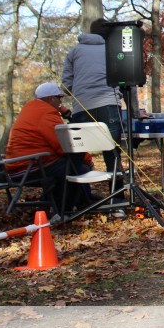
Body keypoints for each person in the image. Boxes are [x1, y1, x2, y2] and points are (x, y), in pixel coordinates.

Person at [63, 18, 126, 217]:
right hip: (109, 105)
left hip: (81, 108)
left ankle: (68, 206)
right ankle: (118, 204)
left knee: (75, 157)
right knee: (112, 156)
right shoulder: (113, 50)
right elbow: (125, 80)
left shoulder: (74, 51)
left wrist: (80, 92)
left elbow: (66, 84)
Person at [5, 82, 94, 216]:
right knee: (77, 168)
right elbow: (65, 145)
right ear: (51, 98)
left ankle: (59, 202)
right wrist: (88, 160)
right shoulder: (46, 113)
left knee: (70, 165)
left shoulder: (30, 109)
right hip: (28, 167)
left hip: (16, 165)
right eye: (59, 98)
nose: (60, 102)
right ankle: (64, 210)